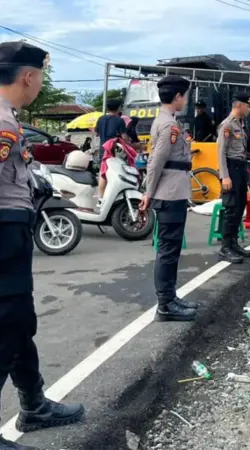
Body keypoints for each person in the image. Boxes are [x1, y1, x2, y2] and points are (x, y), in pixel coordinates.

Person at [0, 41, 85, 450]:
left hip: (2, 232)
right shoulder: (1, 123)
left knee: (18, 324)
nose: (40, 83)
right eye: (40, 76)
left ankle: (34, 405)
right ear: (28, 76)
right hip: (2, 235)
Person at [139, 75, 197, 323]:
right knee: (168, 250)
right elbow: (156, 162)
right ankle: (165, 304)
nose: (186, 100)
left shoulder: (167, 121)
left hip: (174, 191)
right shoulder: (169, 126)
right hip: (170, 194)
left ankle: (171, 297)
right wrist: (148, 193)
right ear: (178, 96)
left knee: (171, 249)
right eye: (185, 96)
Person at [217, 93, 250, 263]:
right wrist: (224, 176)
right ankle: (225, 247)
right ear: (239, 105)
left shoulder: (241, 124)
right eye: (248, 106)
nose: (249, 110)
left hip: (240, 168)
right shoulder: (227, 125)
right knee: (231, 208)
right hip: (230, 168)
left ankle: (233, 243)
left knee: (240, 206)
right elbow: (221, 152)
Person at [94, 98, 128, 202]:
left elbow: (96, 133)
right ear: (119, 108)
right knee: (117, 173)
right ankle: (115, 198)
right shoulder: (119, 120)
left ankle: (101, 199)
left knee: (103, 174)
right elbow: (124, 137)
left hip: (103, 150)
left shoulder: (101, 119)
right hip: (114, 151)